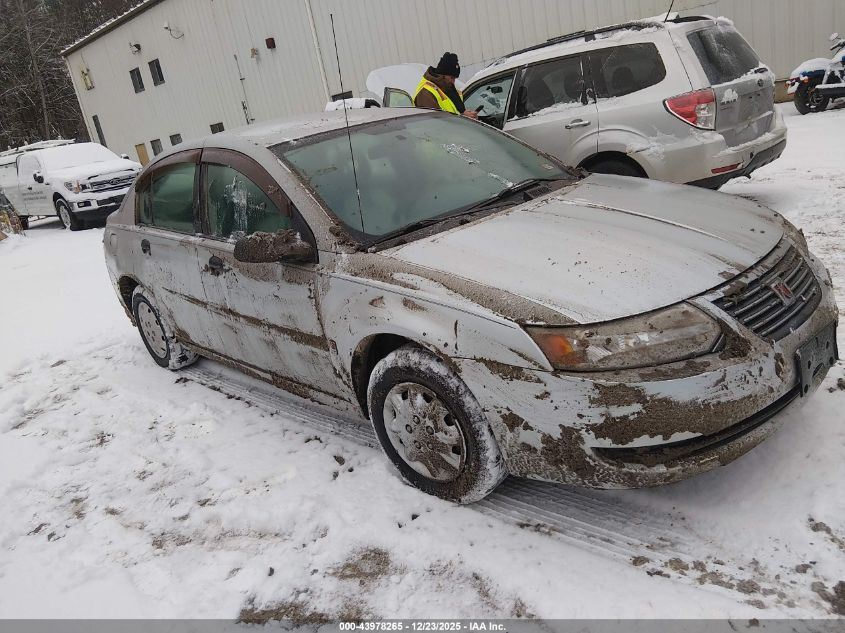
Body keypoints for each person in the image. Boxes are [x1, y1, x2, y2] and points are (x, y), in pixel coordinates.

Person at [414, 52, 479, 119]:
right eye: (451, 77)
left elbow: (456, 112)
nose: (453, 82)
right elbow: (434, 123)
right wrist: (463, 118)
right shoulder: (426, 92)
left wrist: (467, 116)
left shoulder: (447, 87)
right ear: (442, 75)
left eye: (455, 78)